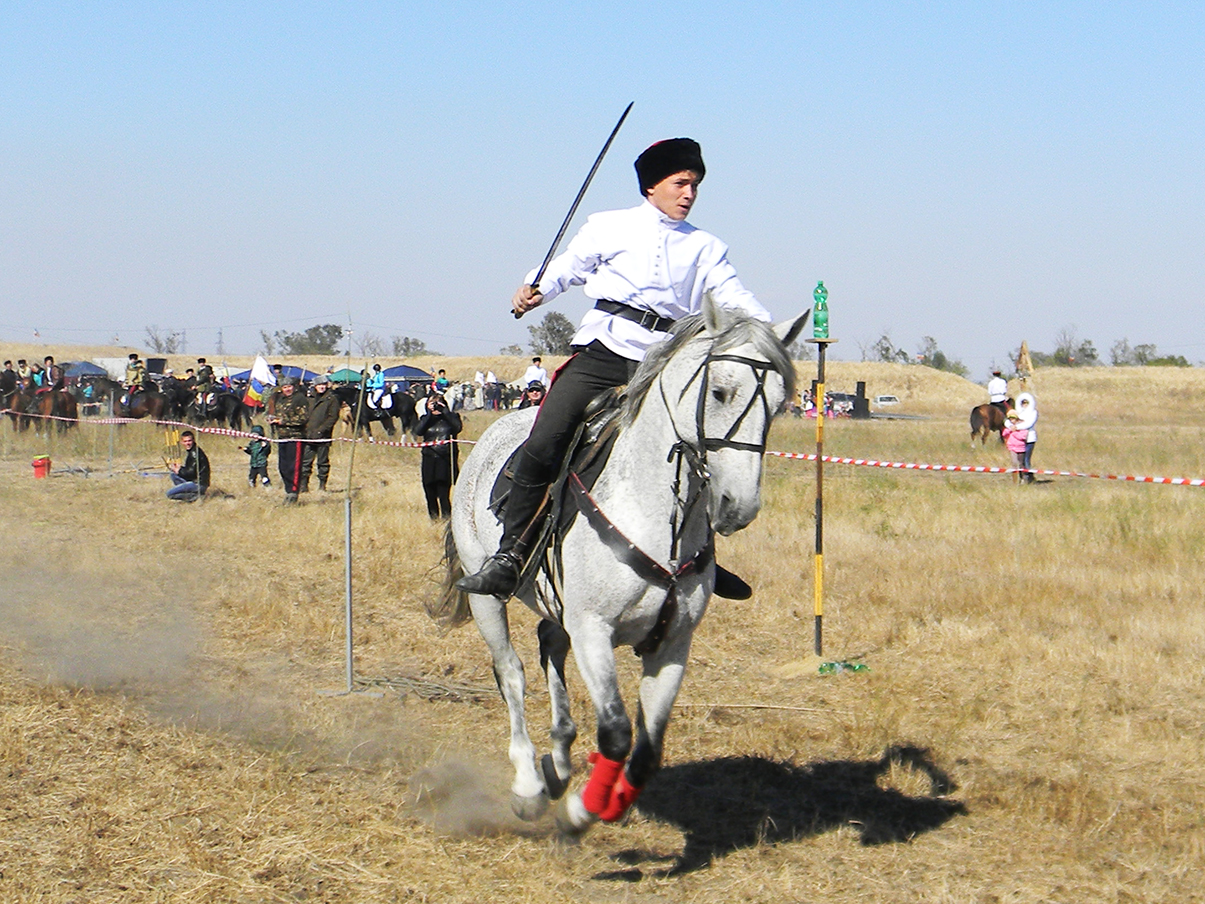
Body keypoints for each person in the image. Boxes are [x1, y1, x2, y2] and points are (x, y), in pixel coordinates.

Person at [458, 137, 771, 599]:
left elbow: (735, 298)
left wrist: (770, 330)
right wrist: (535, 289)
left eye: (695, 186)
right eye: (681, 183)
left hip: (666, 365)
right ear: (652, 186)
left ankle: (701, 554)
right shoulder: (608, 227)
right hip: (605, 353)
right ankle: (512, 553)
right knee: (546, 440)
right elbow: (567, 267)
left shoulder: (707, 247)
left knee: (697, 446)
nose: (689, 193)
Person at [413, 390, 463, 519]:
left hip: (444, 458)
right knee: (429, 492)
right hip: (429, 458)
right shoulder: (425, 419)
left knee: (443, 494)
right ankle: (434, 520)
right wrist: (430, 414)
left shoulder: (452, 418)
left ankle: (447, 519)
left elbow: (457, 428)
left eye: (437, 403)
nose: (435, 406)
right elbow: (418, 431)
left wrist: (445, 412)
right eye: (432, 403)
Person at [269, 377, 309, 502]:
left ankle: (293, 492)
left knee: (294, 466)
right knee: (283, 466)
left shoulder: (300, 399)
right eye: (285, 387)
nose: (287, 389)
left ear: (294, 386)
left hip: (295, 436)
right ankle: (287, 490)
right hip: (282, 437)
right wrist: (272, 419)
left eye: (289, 386)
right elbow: (279, 415)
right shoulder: (280, 400)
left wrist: (283, 421)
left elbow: (303, 418)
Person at [301, 374, 340, 492]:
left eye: (324, 385)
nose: (322, 387)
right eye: (319, 385)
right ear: (315, 386)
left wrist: (320, 431)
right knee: (306, 461)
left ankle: (322, 485)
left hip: (323, 436)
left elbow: (333, 417)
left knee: (322, 462)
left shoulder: (331, 399)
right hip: (308, 435)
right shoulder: (309, 398)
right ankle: (304, 485)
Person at [167, 430, 210, 502]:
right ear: (181, 442)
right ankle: (191, 493)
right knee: (173, 475)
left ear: (193, 440)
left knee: (169, 494)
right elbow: (191, 470)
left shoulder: (195, 453)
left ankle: (195, 496)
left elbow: (191, 473)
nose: (187, 443)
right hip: (194, 480)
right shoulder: (192, 451)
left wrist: (179, 470)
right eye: (185, 441)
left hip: (198, 484)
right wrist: (179, 468)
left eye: (189, 441)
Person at [1013, 392, 1038, 483]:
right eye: (1023, 403)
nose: (1025, 405)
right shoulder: (1017, 413)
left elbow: (1029, 423)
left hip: (1030, 439)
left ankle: (1028, 477)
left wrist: (1017, 427)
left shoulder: (1034, 412)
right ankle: (1022, 477)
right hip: (1019, 439)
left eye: (1026, 403)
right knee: (1020, 460)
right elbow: (1009, 421)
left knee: (1026, 459)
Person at [1001, 410, 1028, 481]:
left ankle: (1023, 478)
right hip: (1012, 447)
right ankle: (1015, 479)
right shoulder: (1010, 427)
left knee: (1021, 464)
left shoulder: (1023, 426)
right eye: (1010, 419)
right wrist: (1010, 430)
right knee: (1014, 463)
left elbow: (1023, 437)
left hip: (1021, 448)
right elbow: (1004, 434)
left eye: (1013, 419)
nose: (1011, 421)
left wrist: (1014, 432)